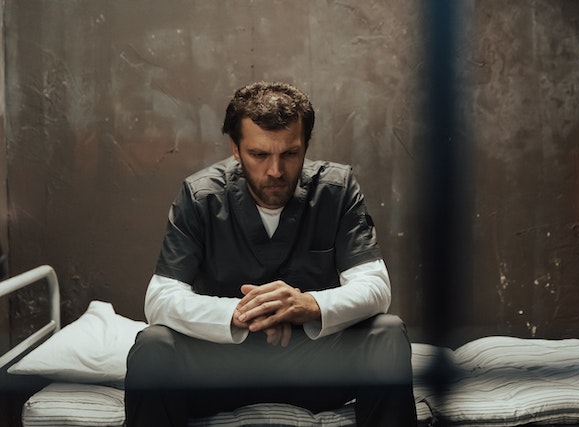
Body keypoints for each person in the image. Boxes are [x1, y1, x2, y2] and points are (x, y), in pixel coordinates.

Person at [124, 81, 417, 427]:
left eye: (290, 154)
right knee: (152, 345)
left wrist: (307, 306)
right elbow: (159, 299)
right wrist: (244, 313)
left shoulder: (336, 190)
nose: (275, 171)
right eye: (259, 155)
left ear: (305, 146)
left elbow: (376, 287)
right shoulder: (200, 196)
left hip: (314, 370)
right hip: (222, 369)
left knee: (387, 333)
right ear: (235, 148)